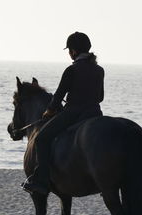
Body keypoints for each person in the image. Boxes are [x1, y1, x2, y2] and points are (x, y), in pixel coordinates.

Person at [22, 32, 105, 195]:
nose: (69, 54)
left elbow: (58, 96)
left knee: (41, 138)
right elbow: (100, 97)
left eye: (69, 50)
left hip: (74, 113)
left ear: (74, 51)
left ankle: (41, 180)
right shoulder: (99, 70)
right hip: (95, 113)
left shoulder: (71, 70)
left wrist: (49, 111)